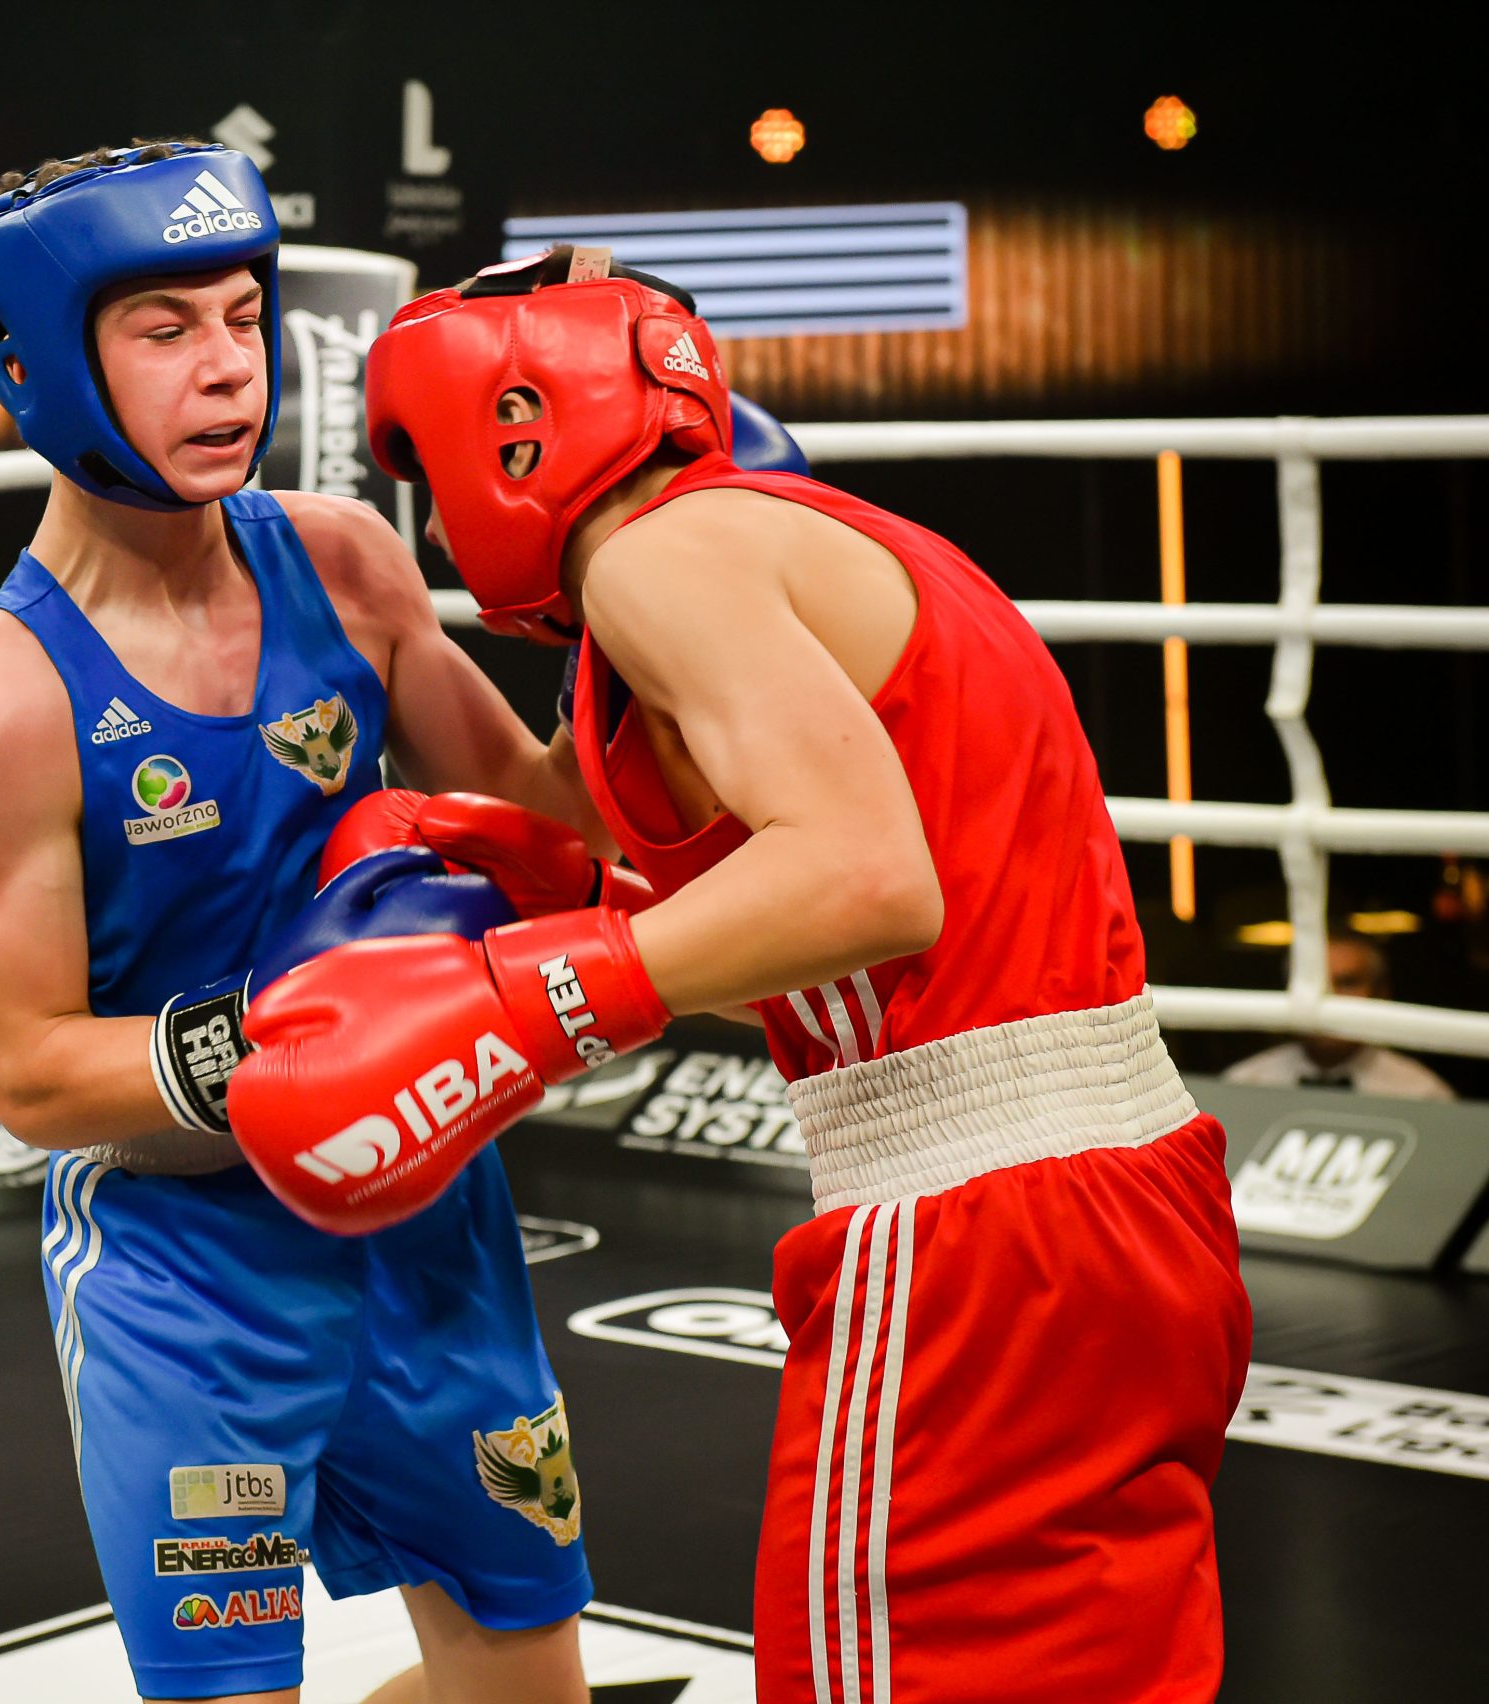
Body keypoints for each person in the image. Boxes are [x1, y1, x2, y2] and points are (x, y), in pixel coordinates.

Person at [232, 245, 1253, 1702]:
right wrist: (545, 857)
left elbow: (867, 881)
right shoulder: (802, 542)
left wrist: (535, 999)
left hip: (972, 1230)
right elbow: (783, 906)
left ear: (511, 428)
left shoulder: (660, 562)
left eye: (435, 476)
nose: (442, 528)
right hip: (1135, 1197)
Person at [0, 144, 602, 1704]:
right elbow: (31, 1073)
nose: (229, 367)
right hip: (189, 1275)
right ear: (45, 362)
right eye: (166, 330)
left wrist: (627, 552)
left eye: (242, 316)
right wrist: (297, 1044)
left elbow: (554, 820)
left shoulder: (345, 565)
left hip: (429, 1228)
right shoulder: (5, 703)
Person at [1225, 931, 1455, 1097]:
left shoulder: (1422, 1094)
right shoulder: (1242, 1085)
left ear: (1380, 994)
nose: (1329, 997)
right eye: (1315, 983)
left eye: (1347, 983)